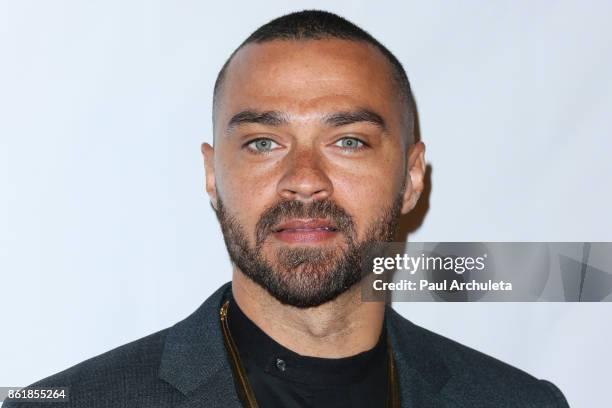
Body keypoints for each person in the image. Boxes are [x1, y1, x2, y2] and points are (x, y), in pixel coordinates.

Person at [3, 10, 569, 408]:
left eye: (348, 141)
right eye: (262, 143)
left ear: (411, 178)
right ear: (212, 174)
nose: (304, 182)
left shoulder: (519, 401)